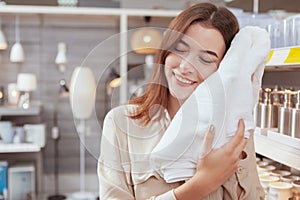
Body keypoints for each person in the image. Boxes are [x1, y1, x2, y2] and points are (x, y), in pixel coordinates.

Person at [98, 2, 264, 199]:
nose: (185, 66)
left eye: (205, 59)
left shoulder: (234, 128)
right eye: (180, 49)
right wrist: (202, 183)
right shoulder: (120, 124)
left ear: (224, 70)